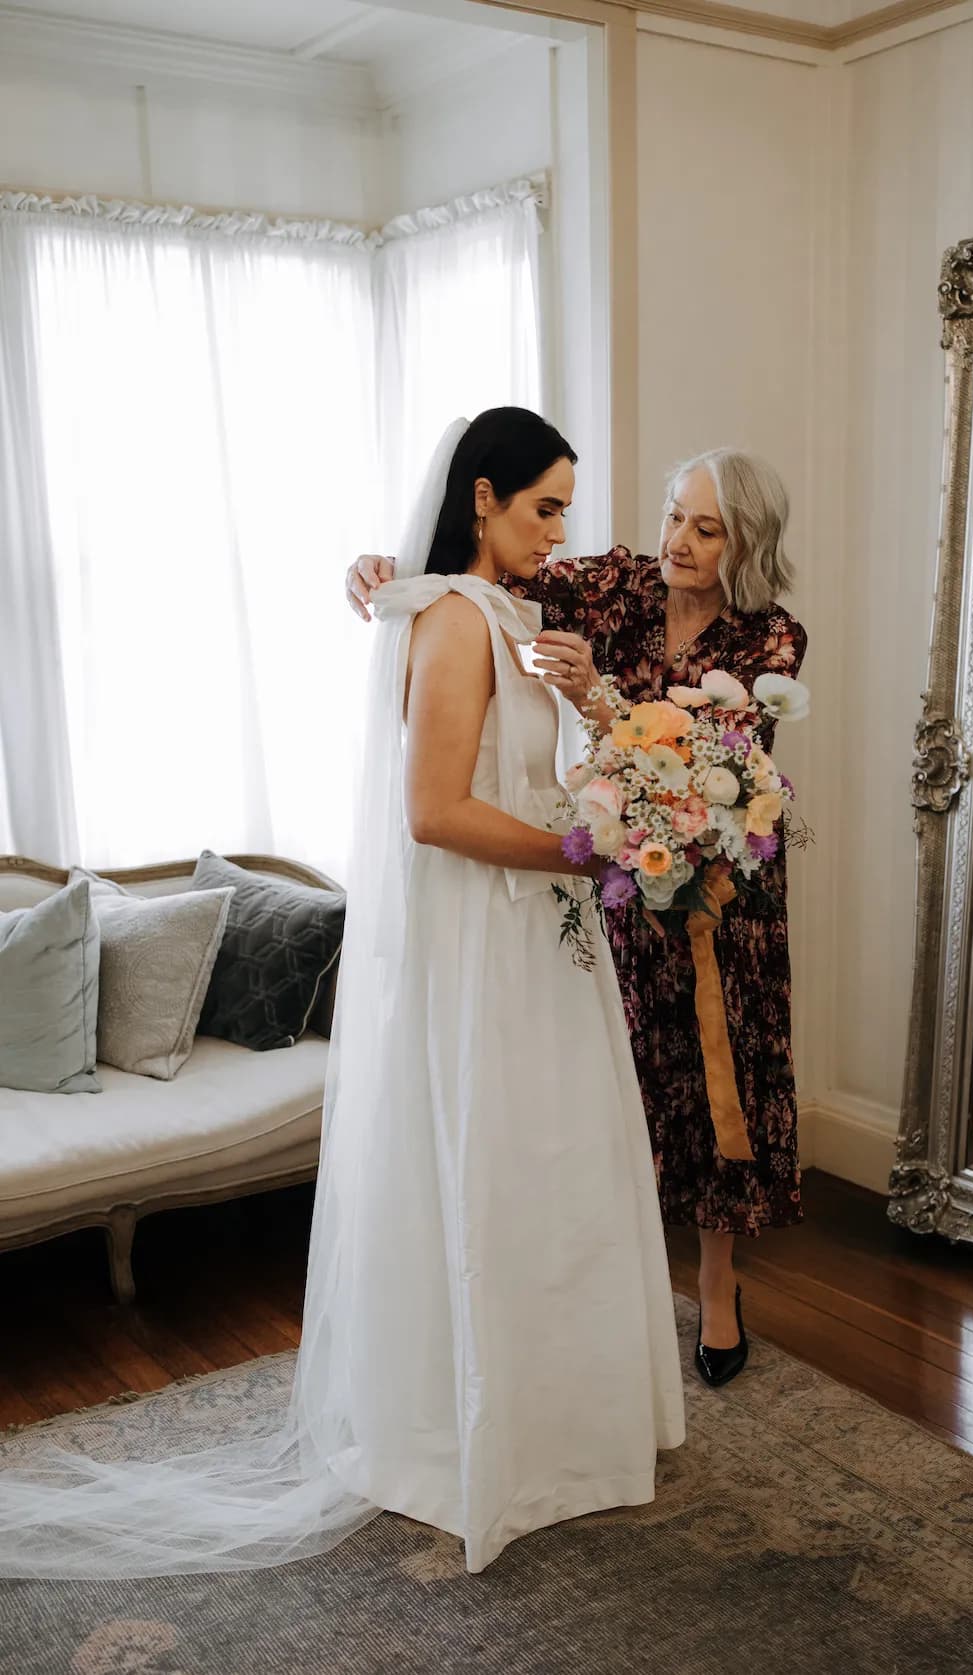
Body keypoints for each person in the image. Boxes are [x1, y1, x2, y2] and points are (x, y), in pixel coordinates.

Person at [0, 408, 685, 1581]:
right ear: (482, 497)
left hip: (535, 935)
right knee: (506, 1163)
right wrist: (585, 855)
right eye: (544, 506)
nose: (561, 530)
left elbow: (513, 757)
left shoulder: (495, 611)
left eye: (566, 506)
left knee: (545, 1165)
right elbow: (435, 813)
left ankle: (550, 1414)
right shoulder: (461, 620)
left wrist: (605, 764)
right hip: (503, 931)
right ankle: (494, 1431)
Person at [348, 446, 807, 1390]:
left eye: (705, 528)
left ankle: (717, 1285)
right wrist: (382, 570)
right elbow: (487, 574)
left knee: (721, 1089)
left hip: (721, 901)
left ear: (745, 542)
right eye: (675, 514)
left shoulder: (772, 640)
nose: (677, 541)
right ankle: (618, 1285)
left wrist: (595, 695)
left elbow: (709, 766)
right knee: (622, 1087)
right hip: (616, 883)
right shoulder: (617, 585)